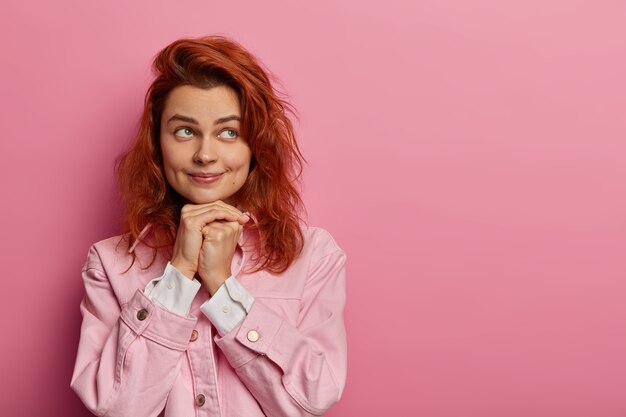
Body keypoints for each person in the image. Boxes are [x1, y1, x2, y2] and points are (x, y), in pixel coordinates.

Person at [70, 36, 347, 417]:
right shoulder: (109, 264)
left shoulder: (313, 256)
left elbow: (309, 400)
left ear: (256, 146)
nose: (204, 154)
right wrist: (178, 275)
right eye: (185, 131)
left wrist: (222, 287)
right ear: (157, 143)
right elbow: (118, 408)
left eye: (229, 132)